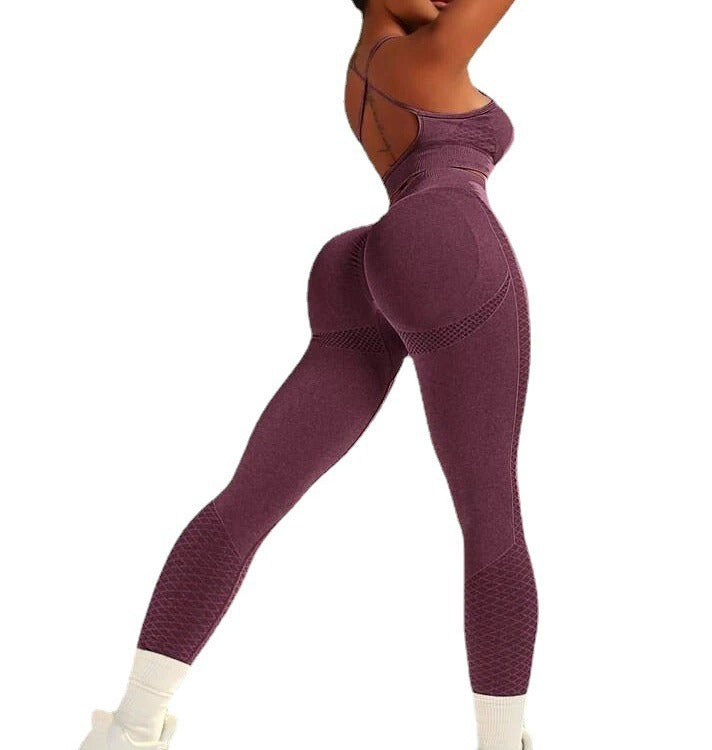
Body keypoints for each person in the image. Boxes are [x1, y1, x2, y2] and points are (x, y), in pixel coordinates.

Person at [79, 0, 537, 748]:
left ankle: (129, 727)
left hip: (359, 265)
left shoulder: (362, 71)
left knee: (249, 497)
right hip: (444, 241)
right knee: (491, 513)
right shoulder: (419, 59)